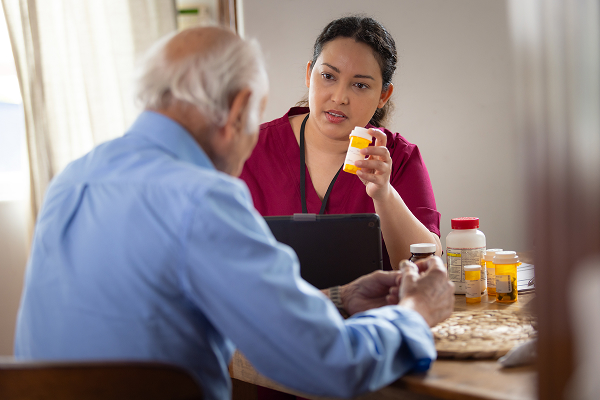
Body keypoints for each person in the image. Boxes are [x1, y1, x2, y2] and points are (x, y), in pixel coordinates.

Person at [14, 26, 454, 400]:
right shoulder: (202, 198)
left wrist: (337, 298)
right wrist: (415, 312)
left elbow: (174, 306)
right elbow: (332, 364)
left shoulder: (72, 178)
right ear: (241, 109)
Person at [240, 16, 441, 271]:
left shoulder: (399, 157)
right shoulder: (249, 148)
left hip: (374, 311)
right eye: (328, 76)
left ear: (383, 95)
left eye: (360, 85)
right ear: (308, 74)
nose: (339, 97)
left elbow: (428, 268)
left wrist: (384, 194)